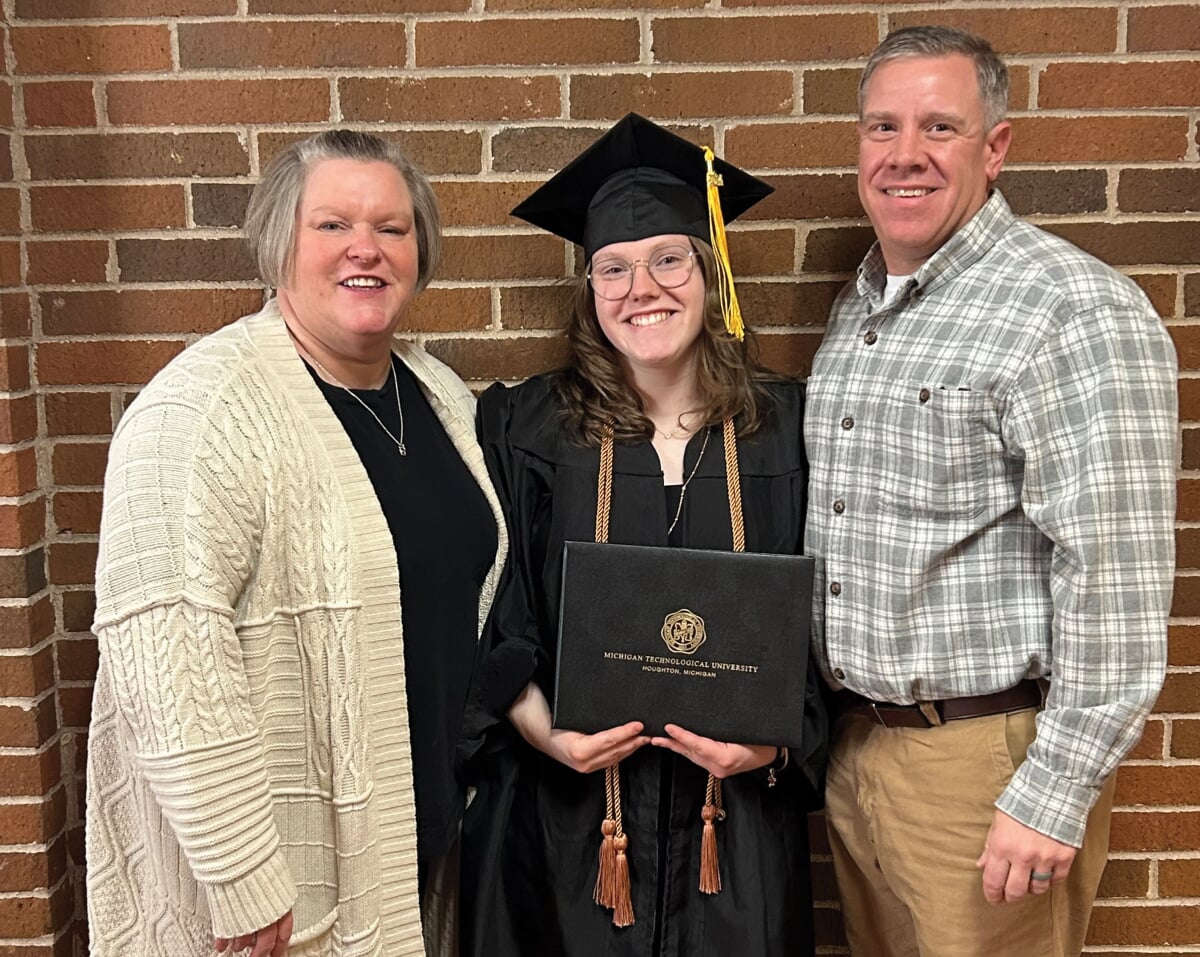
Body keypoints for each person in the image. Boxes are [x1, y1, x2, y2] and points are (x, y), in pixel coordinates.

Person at [85, 130, 507, 957]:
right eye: (333, 225)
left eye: (393, 227)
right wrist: (242, 875)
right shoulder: (202, 411)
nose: (367, 248)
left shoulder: (441, 399)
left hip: (408, 850)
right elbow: (166, 657)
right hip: (275, 896)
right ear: (278, 244)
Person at [804, 26, 1178, 957]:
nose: (904, 155)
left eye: (940, 127)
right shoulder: (860, 311)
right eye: (881, 127)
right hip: (860, 756)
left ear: (996, 146)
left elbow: (1116, 576)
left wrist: (1052, 793)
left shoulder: (1069, 308)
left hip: (986, 765)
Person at [457, 113, 828, 957]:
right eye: (613, 268)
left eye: (669, 258)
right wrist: (540, 728)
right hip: (567, 822)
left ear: (710, 271)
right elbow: (492, 607)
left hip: (731, 832)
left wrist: (773, 742)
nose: (641, 288)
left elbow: (823, 622)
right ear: (589, 288)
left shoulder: (783, 429)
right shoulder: (527, 427)